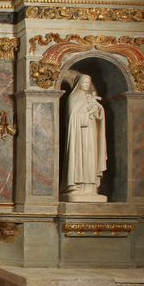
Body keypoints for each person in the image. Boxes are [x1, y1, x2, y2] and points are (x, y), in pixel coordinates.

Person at [63, 73, 108, 202]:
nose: (86, 85)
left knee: (90, 158)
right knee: (79, 158)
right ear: (78, 83)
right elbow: (73, 118)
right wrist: (88, 111)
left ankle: (91, 188)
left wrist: (98, 109)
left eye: (88, 83)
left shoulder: (90, 97)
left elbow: (99, 116)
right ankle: (76, 186)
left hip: (91, 133)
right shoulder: (73, 97)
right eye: (84, 82)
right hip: (78, 135)